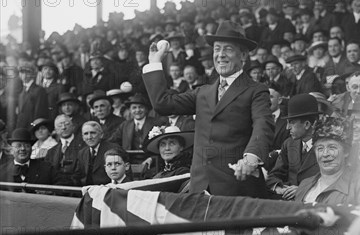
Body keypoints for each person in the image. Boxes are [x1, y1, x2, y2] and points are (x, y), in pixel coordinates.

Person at [142, 21, 274, 197]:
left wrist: (251, 158)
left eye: (227, 49)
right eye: (217, 49)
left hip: (238, 188)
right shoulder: (203, 92)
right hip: (201, 188)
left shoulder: (256, 90)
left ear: (243, 55)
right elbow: (162, 103)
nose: (220, 55)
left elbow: (262, 124)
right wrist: (154, 63)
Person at [295, 115, 360, 206]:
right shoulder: (304, 185)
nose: (325, 154)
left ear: (346, 151)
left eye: (332, 147)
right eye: (320, 148)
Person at [265, 94, 320, 200]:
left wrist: (302, 189)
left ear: (307, 124)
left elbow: (329, 181)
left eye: (291, 122)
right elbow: (275, 174)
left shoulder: (326, 147)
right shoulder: (289, 144)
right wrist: (279, 188)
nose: (287, 127)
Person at [45, 114, 84, 185]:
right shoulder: (51, 152)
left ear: (73, 127)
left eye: (67, 124)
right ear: (56, 130)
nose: (63, 127)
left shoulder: (83, 146)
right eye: (60, 126)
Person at [75, 121, 118, 185]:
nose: (89, 137)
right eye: (86, 134)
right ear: (83, 137)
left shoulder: (113, 149)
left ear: (101, 135)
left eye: (93, 133)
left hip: (107, 191)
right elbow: (77, 176)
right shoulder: (82, 153)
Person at [16, 62, 49, 129]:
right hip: (22, 129)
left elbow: (39, 113)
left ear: (33, 74)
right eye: (22, 72)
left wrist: (34, 127)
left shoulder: (39, 90)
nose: (24, 75)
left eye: (27, 72)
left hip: (33, 129)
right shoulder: (21, 92)